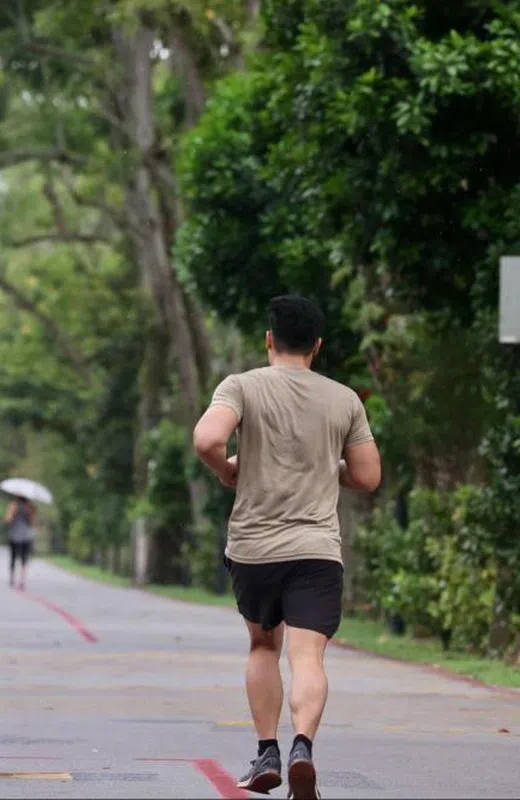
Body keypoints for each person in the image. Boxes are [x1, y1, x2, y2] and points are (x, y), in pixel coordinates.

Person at [192, 295, 382, 800]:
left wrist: (226, 469)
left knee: (262, 646)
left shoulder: (242, 386)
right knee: (308, 657)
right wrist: (329, 467)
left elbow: (206, 439)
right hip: (317, 549)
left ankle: (267, 753)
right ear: (317, 345)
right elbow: (367, 476)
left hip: (255, 548)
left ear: (269, 339)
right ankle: (302, 746)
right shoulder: (345, 400)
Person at [4, 497, 36, 590]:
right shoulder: (13, 506)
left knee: (23, 558)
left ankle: (21, 579)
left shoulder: (30, 507)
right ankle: (13, 578)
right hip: (15, 536)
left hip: (25, 536)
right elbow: (8, 521)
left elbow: (32, 522)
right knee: (15, 557)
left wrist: (29, 512)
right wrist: (12, 513)